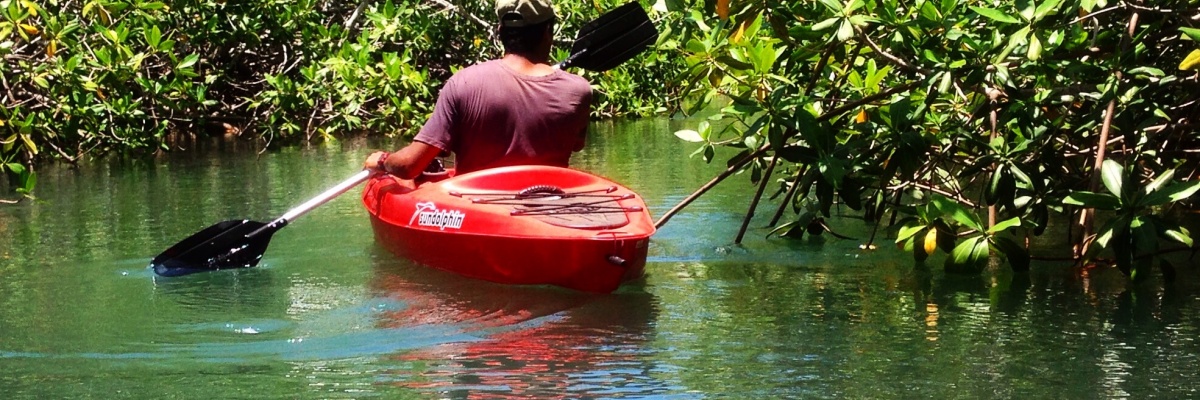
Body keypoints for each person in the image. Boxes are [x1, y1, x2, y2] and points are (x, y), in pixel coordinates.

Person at [363, 0, 593, 179]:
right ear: (547, 32)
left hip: (476, 208)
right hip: (552, 206)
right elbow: (577, 145)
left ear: (500, 31)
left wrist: (383, 160)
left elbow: (409, 167)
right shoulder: (578, 90)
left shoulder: (464, 82)